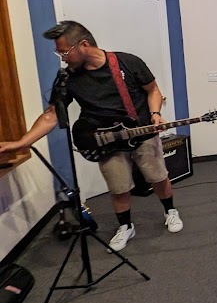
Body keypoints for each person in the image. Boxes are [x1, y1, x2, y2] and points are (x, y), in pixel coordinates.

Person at [0, 21, 183, 251]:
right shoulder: (68, 79)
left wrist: (155, 114)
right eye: (59, 53)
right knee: (118, 187)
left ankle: (170, 211)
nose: (63, 58)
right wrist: (21, 143)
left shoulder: (128, 62)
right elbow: (51, 115)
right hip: (105, 140)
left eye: (64, 52)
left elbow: (153, 90)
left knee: (157, 176)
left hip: (142, 130)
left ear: (84, 45)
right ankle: (126, 226)